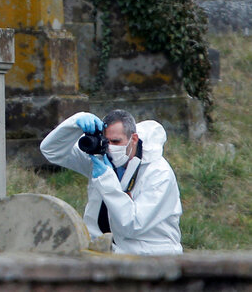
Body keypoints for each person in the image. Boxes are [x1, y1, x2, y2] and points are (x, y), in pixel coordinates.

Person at [39, 109, 183, 255]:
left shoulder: (158, 172)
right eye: (105, 141)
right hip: (104, 249)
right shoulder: (100, 158)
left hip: (152, 255)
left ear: (134, 139)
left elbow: (132, 225)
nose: (110, 148)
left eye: (116, 142)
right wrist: (73, 123)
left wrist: (106, 180)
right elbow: (51, 151)